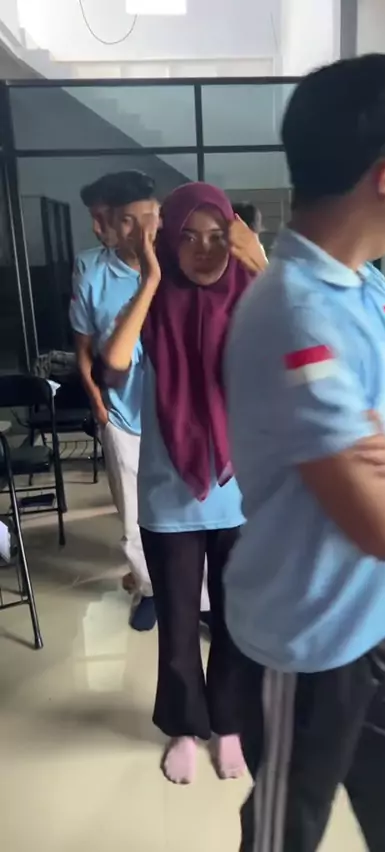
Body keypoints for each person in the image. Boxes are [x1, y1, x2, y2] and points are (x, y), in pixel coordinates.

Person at [225, 54, 385, 852]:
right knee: (281, 836)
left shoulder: (369, 289)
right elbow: (383, 525)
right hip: (303, 645)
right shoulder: (295, 314)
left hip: (381, 621)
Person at [100, 182, 267, 785]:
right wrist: (150, 279)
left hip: (242, 494)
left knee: (236, 622)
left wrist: (261, 265)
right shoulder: (151, 304)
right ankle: (183, 727)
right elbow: (112, 365)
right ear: (167, 241)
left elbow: (307, 348)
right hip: (169, 499)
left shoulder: (255, 301)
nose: (204, 250)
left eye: (218, 237)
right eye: (188, 237)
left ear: (237, 238)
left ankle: (230, 724)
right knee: (176, 623)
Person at [70, 170, 159, 632]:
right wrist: (99, 406)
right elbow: (83, 348)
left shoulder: (179, 265)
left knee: (186, 510)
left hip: (174, 415)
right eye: (128, 220)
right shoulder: (92, 272)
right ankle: (149, 588)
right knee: (133, 517)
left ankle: (195, 592)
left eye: (151, 218)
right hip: (123, 416)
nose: (143, 231)